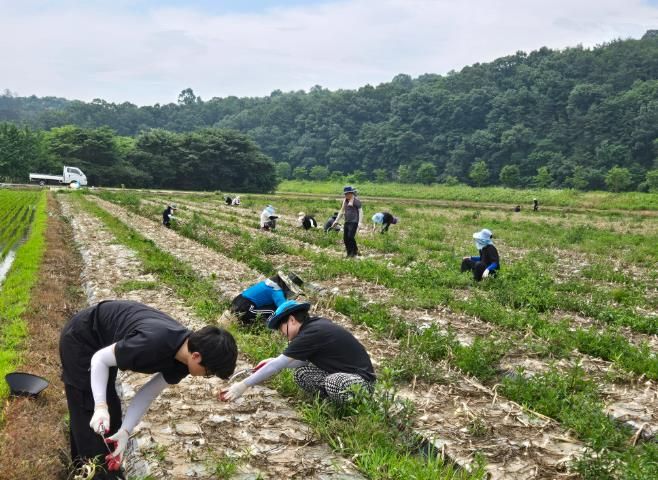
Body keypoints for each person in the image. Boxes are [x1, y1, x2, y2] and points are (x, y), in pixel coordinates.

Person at [59, 300, 238, 479]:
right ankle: (94, 472)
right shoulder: (153, 343)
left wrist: (125, 431)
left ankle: (84, 467)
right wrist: (99, 406)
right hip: (83, 339)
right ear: (196, 356)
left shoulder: (184, 360)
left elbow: (148, 394)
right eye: (209, 372)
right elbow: (100, 359)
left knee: (110, 415)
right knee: (87, 405)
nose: (205, 376)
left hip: (106, 344)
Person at [220, 300, 375, 404]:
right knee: (302, 373)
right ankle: (328, 403)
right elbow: (300, 362)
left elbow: (277, 365)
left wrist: (243, 385)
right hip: (343, 375)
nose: (281, 333)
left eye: (281, 328)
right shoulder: (313, 327)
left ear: (292, 320)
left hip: (361, 382)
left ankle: (350, 411)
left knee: (333, 382)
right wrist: (273, 360)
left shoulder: (311, 332)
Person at [226, 271, 304, 325]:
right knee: (273, 312)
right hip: (245, 307)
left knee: (272, 307)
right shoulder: (277, 292)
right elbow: (284, 308)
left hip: (238, 301)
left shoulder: (269, 284)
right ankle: (267, 329)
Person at [332, 186, 363, 257]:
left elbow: (361, 212)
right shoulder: (345, 201)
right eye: (345, 194)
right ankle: (350, 253)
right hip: (347, 221)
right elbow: (342, 211)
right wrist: (336, 220)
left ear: (351, 193)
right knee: (345, 238)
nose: (346, 195)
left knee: (350, 237)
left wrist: (360, 222)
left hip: (354, 222)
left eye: (348, 194)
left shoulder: (356, 201)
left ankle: (353, 253)